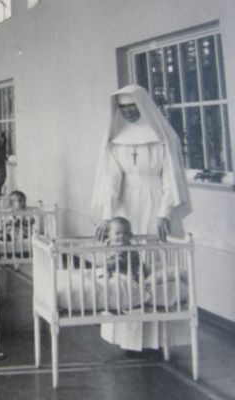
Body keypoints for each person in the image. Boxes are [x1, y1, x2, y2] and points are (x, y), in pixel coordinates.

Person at [92, 84, 192, 352]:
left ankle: (159, 341)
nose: (128, 113)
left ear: (143, 106)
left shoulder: (163, 138)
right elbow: (111, 180)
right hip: (126, 207)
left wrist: (164, 214)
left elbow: (170, 178)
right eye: (123, 109)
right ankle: (127, 338)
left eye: (132, 108)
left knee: (155, 264)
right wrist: (107, 215)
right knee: (125, 265)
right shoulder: (116, 139)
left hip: (155, 204)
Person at [103, 217, 141, 281]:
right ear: (110, 235)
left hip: (128, 270)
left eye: (126, 233)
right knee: (104, 271)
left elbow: (138, 260)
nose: (122, 236)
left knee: (136, 273)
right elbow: (107, 262)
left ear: (130, 235)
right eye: (117, 233)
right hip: (114, 270)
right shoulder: (109, 246)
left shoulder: (132, 247)